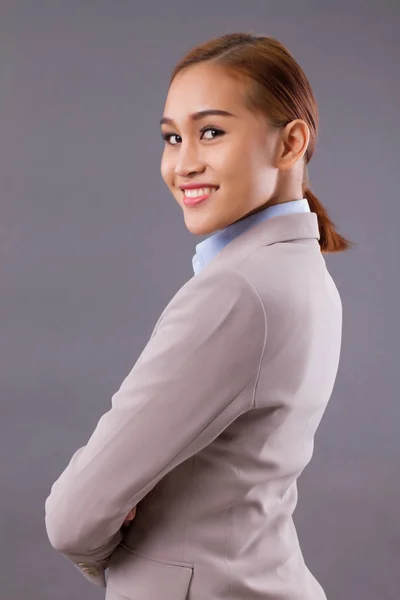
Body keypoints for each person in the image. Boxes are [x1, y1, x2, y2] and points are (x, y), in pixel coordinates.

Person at [45, 32, 353, 599]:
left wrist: (129, 550)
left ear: (290, 143)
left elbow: (71, 516)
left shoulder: (237, 290)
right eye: (171, 137)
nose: (183, 163)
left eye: (211, 132)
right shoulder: (300, 272)